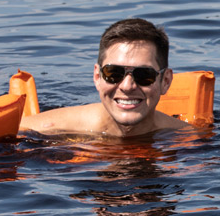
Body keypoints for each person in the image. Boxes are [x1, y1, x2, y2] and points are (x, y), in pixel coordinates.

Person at [19, 18, 188, 137]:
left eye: (144, 75)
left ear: (165, 81)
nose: (127, 86)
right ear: (97, 77)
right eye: (113, 73)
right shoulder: (45, 130)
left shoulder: (187, 138)